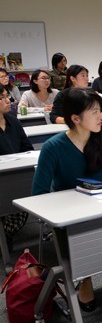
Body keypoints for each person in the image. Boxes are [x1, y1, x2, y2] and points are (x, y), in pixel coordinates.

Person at [32, 88, 102, 311]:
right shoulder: (53, 147)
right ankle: (86, 278)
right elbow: (38, 195)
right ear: (76, 119)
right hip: (70, 213)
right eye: (95, 112)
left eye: (100, 111)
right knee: (84, 231)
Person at [0, 85, 33, 249]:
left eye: (7, 96)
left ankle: (5, 236)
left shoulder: (12, 121)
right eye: (3, 98)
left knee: (23, 200)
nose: (9, 101)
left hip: (18, 175)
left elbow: (28, 148)